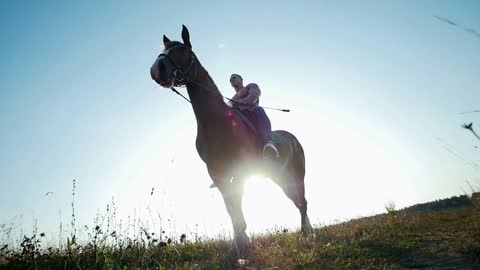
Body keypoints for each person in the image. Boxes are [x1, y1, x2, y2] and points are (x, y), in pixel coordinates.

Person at [229, 73, 279, 159]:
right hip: (238, 114)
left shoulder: (251, 86)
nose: (232, 80)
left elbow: (254, 95)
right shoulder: (232, 98)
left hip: (251, 111)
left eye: (234, 77)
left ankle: (268, 143)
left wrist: (241, 101)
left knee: (259, 110)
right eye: (230, 80)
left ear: (241, 79)